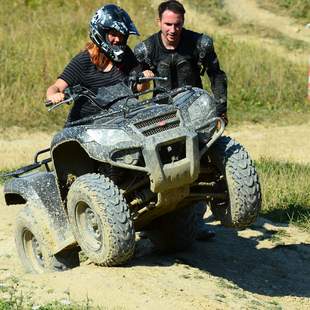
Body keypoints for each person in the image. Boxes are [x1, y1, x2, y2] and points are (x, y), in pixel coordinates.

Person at [134, 0, 228, 241]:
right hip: (160, 117)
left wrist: (220, 108)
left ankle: (196, 222)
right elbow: (134, 88)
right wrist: (142, 78)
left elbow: (217, 76)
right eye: (168, 24)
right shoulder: (145, 49)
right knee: (157, 169)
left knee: (204, 165)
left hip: (196, 113)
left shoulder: (200, 44)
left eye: (177, 24)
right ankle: (151, 221)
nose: (172, 30)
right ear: (159, 22)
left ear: (183, 22)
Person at [46, 4, 153, 124]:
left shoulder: (126, 55)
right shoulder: (83, 61)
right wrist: (54, 95)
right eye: (114, 34)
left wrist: (145, 79)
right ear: (101, 33)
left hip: (120, 121)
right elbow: (56, 87)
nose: (118, 39)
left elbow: (138, 88)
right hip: (86, 126)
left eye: (121, 36)